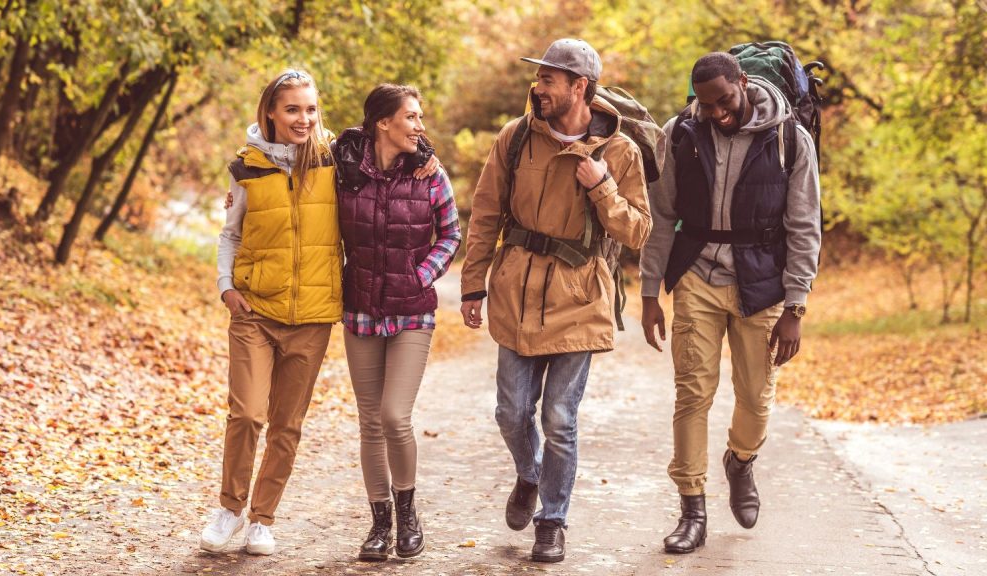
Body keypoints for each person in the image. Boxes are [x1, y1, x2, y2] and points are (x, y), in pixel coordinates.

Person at [460, 39, 651, 563]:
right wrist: (473, 284)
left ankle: (552, 520)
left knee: (560, 418)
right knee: (511, 412)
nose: (538, 87)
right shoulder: (517, 136)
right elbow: (485, 213)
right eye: (539, 77)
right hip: (516, 291)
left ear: (579, 86)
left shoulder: (620, 152)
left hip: (580, 295)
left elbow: (638, 231)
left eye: (548, 79)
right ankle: (530, 474)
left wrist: (603, 186)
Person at [638, 52, 821, 554]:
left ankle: (740, 461)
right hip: (696, 275)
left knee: (756, 398)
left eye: (724, 101)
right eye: (706, 105)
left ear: (742, 81)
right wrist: (650, 292)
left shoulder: (788, 138)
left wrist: (796, 307)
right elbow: (660, 215)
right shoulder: (681, 133)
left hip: (762, 284)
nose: (716, 113)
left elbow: (804, 225)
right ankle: (691, 509)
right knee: (692, 394)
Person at [202, 69, 342, 556]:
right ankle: (229, 508)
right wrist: (226, 287)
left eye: (311, 109)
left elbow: (392, 152)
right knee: (246, 413)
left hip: (313, 315)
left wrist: (426, 157)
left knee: (287, 424)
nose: (304, 119)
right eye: (292, 109)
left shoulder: (334, 160)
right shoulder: (247, 167)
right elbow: (231, 233)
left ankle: (262, 519)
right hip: (255, 311)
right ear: (271, 112)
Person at [333, 84, 460, 562]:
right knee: (370, 422)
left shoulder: (430, 174)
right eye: (411, 117)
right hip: (360, 309)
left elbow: (451, 233)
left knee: (393, 416)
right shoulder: (343, 170)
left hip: (413, 312)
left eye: (420, 117)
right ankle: (380, 523)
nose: (420, 127)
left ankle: (408, 514)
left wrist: (420, 274)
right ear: (382, 122)